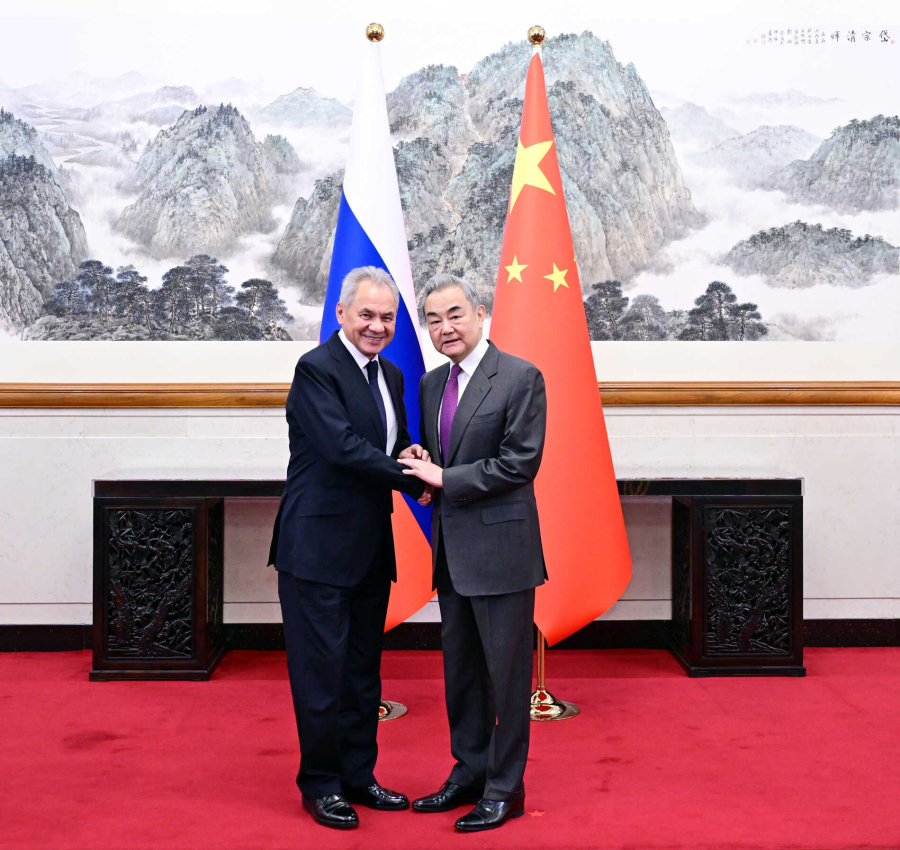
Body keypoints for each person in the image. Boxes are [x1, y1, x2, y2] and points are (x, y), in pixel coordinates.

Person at [268, 266, 432, 830]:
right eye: (367, 314)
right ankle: (320, 784)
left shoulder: (390, 374)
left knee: (363, 671)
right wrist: (417, 482)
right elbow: (342, 449)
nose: (377, 326)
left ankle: (360, 776)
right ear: (341, 314)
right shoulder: (315, 369)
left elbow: (394, 444)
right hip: (316, 548)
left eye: (387, 317)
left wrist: (418, 459)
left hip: (368, 546)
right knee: (321, 674)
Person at [400, 273, 547, 832]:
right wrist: (422, 469)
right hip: (451, 553)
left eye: (455, 314)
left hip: (502, 553)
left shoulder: (519, 377)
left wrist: (445, 475)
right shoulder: (433, 384)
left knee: (505, 678)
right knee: (461, 673)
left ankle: (505, 788)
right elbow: (444, 462)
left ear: (481, 313)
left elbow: (519, 463)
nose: (445, 328)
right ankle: (468, 772)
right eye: (433, 320)